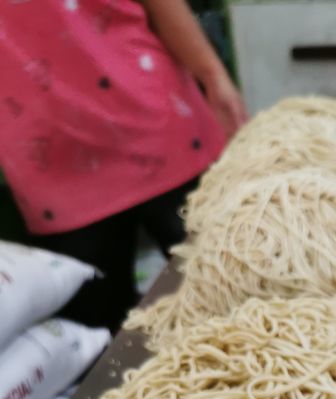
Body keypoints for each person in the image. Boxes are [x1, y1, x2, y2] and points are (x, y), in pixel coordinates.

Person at [0, 0, 247, 332]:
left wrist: (212, 74)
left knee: (236, 291)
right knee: (98, 334)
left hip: (151, 119)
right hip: (47, 158)